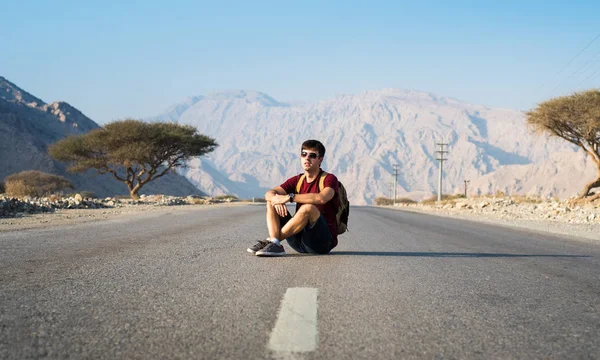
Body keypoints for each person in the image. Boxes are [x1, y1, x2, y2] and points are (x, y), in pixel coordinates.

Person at [247, 139, 340, 257]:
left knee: (308, 208)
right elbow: (269, 193)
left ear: (320, 159)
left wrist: (289, 198)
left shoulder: (329, 179)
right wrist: (277, 200)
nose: (307, 158)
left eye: (312, 155)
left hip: (321, 244)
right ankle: (275, 243)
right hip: (299, 242)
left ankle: (272, 241)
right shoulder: (298, 180)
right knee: (272, 201)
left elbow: (322, 198)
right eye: (304, 154)